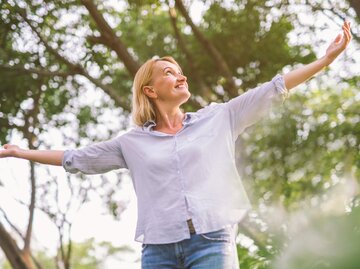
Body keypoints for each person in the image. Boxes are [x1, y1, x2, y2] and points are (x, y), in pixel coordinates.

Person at [0, 21, 352, 269]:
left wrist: (324, 61)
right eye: (168, 72)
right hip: (158, 251)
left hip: (212, 241)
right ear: (150, 91)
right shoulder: (131, 143)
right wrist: (19, 152)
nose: (180, 75)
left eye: (179, 70)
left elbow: (274, 88)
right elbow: (75, 158)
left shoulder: (219, 118)